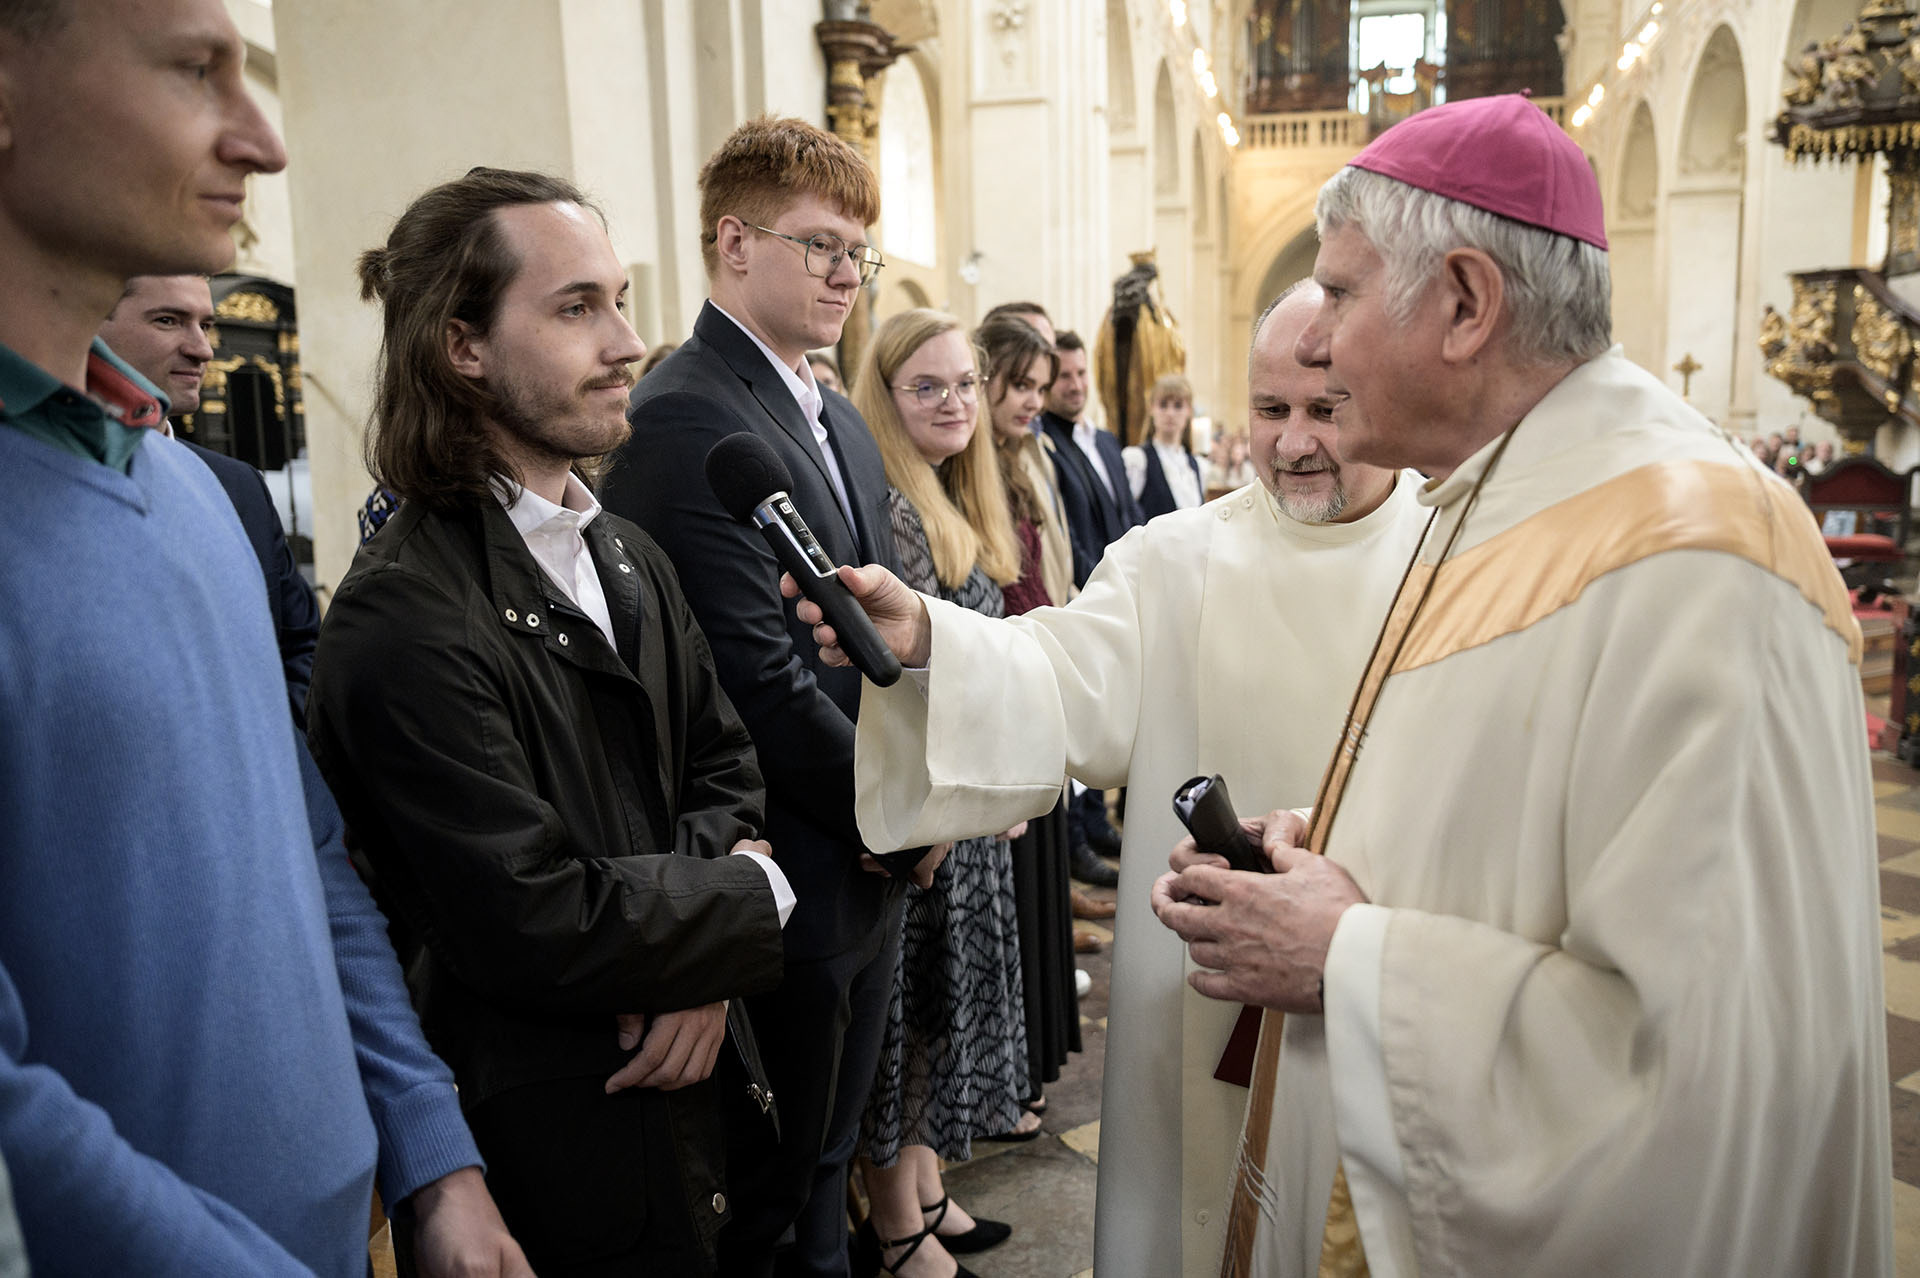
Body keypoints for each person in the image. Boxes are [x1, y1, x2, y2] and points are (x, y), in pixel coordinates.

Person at [1150, 94, 1890, 1276]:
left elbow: (1690, 1066)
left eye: (1338, 292)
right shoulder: (1495, 492)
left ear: (1464, 303)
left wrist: (1345, 954)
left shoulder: (1702, 555)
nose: (1316, 342)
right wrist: (1337, 854)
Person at [0, 1, 521, 1274]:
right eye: (196, 71)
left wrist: (432, 1150)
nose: (266, 140)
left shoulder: (188, 491)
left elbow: (308, 855)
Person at [784, 282, 1425, 1277]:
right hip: (1197, 993)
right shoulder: (1179, 560)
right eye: (1270, 409)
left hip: (1392, 999)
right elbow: (1059, 670)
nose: (1295, 442)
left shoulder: (1460, 560)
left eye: (1326, 408)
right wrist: (930, 639)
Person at [307, 168, 791, 1276]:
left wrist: (702, 969)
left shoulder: (623, 552)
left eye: (619, 300)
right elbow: (530, 912)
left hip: (696, 1102)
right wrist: (746, 900)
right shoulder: (404, 612)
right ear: (462, 346)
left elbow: (725, 767)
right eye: (577, 308)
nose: (627, 342)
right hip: (557, 1139)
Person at [600, 115, 935, 1278]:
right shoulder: (687, 410)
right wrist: (900, 814)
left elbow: (869, 638)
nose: (846, 274)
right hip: (790, 865)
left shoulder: (833, 412)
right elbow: (756, 678)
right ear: (734, 243)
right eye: (820, 246)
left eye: (858, 252)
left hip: (867, 855)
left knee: (831, 1160)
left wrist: (912, 801)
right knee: (773, 1199)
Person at [849, 309, 1030, 1278]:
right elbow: (908, 691)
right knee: (908, 1013)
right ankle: (892, 1224)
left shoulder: (955, 492)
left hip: (968, 801)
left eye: (965, 383)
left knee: (936, 1016)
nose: (954, 402)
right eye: (927, 386)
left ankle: (923, 1186)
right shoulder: (894, 507)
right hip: (931, 808)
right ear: (885, 397)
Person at [97, 273, 322, 726]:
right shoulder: (47, 485)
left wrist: (269, 737)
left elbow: (303, 645)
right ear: (92, 324)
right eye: (168, 320)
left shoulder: (240, 487)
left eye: (206, 325)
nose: (202, 349)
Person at [973, 311, 1087, 1108]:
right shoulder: (975, 466)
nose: (1031, 401)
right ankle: (1009, 1079)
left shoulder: (1022, 458)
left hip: (1038, 676)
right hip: (1007, 683)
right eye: (1018, 385)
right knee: (1012, 898)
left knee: (1039, 890)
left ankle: (1032, 1064)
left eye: (1037, 388)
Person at [1121, 373, 1206, 519]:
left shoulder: (1196, 465)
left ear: (1189, 411)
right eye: (1163, 405)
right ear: (1151, 408)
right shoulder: (1138, 459)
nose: (1170, 413)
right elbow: (1126, 514)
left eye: (1178, 406)